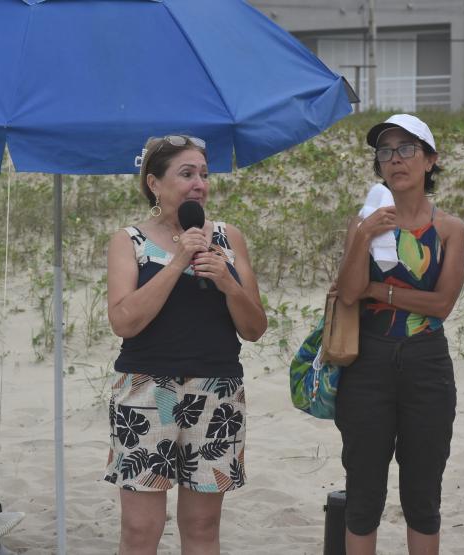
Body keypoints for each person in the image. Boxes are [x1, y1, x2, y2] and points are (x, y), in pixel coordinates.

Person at [104, 135, 267, 554]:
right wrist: (178, 261)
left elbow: (254, 329)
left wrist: (228, 283)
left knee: (202, 524)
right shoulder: (129, 241)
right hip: (146, 389)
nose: (199, 184)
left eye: (204, 175)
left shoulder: (229, 238)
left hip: (217, 391)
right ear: (154, 183)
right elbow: (124, 321)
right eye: (186, 174)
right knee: (141, 528)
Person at [333, 114, 464, 555]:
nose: (395, 160)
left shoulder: (449, 230)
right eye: (385, 152)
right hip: (367, 362)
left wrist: (380, 289)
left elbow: (440, 305)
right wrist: (364, 238)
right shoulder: (364, 224)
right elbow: (350, 293)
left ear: (430, 161)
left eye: (407, 149)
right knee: (363, 491)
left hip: (426, 363)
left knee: (423, 492)